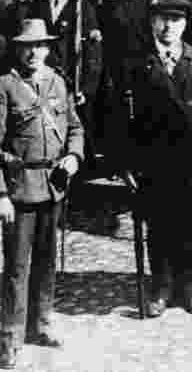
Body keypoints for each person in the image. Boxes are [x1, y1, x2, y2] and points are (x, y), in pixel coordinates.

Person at [118, 0, 192, 318]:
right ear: (152, 23)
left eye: (175, 20)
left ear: (185, 25)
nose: (168, 26)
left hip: (190, 157)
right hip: (153, 157)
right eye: (162, 19)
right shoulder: (137, 62)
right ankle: (161, 287)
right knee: (158, 225)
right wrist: (125, 163)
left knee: (187, 225)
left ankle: (188, 288)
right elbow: (122, 116)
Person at [0, 19, 85, 369]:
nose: (34, 52)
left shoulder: (58, 82)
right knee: (17, 268)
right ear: (18, 49)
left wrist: (74, 156)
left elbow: (76, 127)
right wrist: (1, 194)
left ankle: (42, 323)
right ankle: (10, 337)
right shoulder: (5, 86)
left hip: (54, 187)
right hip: (20, 189)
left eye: (40, 45)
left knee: (47, 262)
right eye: (27, 46)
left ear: (49, 48)